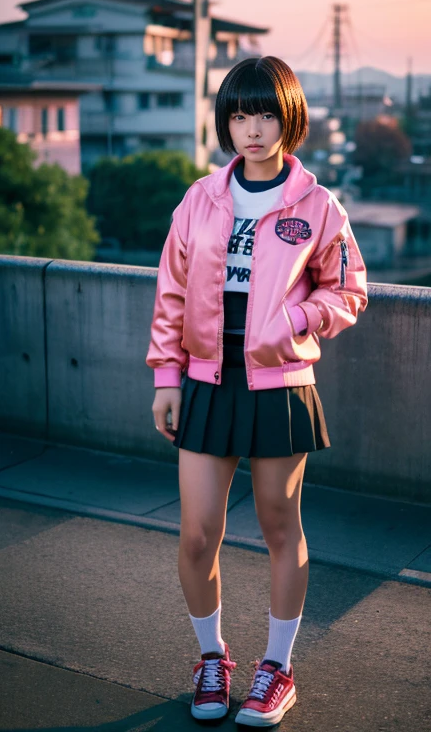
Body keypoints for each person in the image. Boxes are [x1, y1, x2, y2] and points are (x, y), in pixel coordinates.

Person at [146, 56, 367, 727]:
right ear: (225, 122)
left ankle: (278, 668)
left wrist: (298, 318)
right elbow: (172, 292)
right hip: (207, 381)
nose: (252, 128)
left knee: (279, 527)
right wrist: (165, 376)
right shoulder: (201, 198)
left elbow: (349, 290)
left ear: (289, 117)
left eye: (266, 113)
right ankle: (212, 659)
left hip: (280, 385)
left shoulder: (318, 205)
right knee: (196, 535)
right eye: (239, 114)